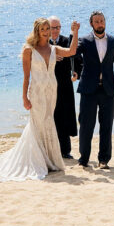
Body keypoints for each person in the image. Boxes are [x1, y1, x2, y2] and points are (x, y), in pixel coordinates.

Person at [0, 17, 81, 182]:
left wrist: (75, 32)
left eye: (48, 29)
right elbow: (26, 77)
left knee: (48, 122)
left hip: (51, 92)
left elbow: (72, 51)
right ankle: (39, 161)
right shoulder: (29, 50)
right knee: (38, 124)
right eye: (43, 30)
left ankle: (50, 161)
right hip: (37, 93)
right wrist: (24, 97)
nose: (47, 32)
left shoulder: (53, 49)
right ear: (37, 31)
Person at [75, 11, 114, 169]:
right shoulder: (84, 40)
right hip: (88, 90)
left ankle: (103, 160)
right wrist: (74, 33)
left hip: (108, 90)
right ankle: (83, 159)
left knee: (106, 126)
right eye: (96, 21)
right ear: (91, 24)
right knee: (86, 125)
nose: (100, 24)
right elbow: (73, 55)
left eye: (102, 20)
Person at [48, 17, 78, 160]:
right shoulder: (43, 44)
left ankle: (65, 151)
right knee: (51, 117)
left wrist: (76, 71)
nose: (55, 31)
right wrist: (51, 58)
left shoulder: (67, 41)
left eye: (57, 27)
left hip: (65, 85)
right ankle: (50, 151)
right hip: (48, 86)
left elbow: (76, 58)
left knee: (65, 117)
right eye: (52, 28)